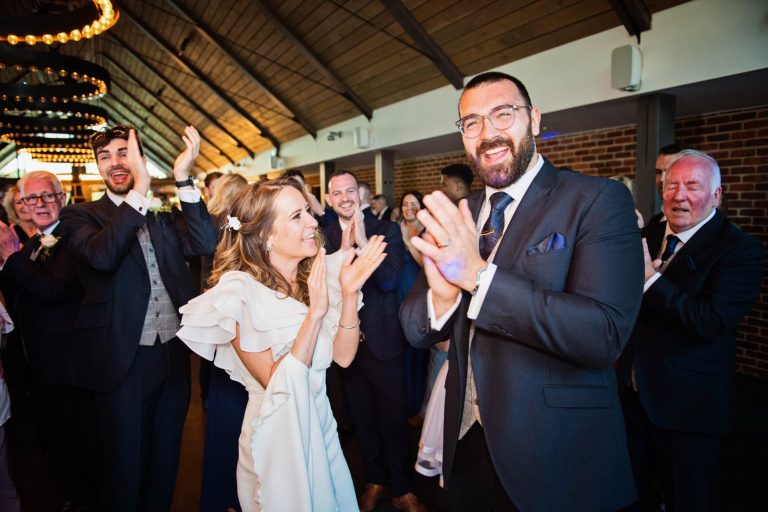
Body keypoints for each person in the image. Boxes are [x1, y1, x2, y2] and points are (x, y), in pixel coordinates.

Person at [400, 71, 644, 511]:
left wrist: (478, 277)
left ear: (533, 119)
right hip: (464, 442)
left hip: (554, 449)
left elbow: (603, 333)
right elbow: (414, 329)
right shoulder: (461, 213)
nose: (488, 133)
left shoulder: (596, 199)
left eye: (503, 114)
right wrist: (440, 298)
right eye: (471, 123)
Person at [177, 178, 387, 511]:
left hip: (321, 426)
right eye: (296, 216)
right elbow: (279, 386)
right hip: (277, 436)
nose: (313, 222)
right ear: (264, 235)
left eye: (307, 211)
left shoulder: (313, 277)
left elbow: (344, 357)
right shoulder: (238, 295)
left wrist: (347, 295)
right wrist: (315, 315)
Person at [59, 124, 217, 511]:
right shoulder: (80, 215)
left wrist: (182, 178)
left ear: (140, 159)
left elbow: (204, 242)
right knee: (124, 468)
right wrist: (140, 191)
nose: (116, 162)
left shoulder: (163, 215)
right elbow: (103, 256)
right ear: (97, 167)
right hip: (120, 359)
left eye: (123, 152)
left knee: (166, 461)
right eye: (105, 156)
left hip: (172, 356)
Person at [624, 150, 765, 511]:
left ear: (716, 196)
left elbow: (710, 321)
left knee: (685, 498)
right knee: (630, 493)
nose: (679, 195)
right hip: (630, 395)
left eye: (692, 186)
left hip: (688, 406)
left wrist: (650, 279)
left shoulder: (741, 249)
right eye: (672, 185)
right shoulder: (647, 232)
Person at [323, 171, 426, 512]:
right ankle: (375, 480)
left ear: (361, 195)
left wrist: (365, 242)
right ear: (328, 199)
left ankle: (401, 485)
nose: (345, 197)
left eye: (350, 190)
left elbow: (388, 282)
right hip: (346, 345)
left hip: (384, 342)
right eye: (337, 193)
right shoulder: (322, 235)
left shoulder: (386, 230)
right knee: (362, 418)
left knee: (393, 418)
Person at [0, 171, 97, 510]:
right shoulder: (33, 242)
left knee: (78, 439)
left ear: (62, 198)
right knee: (54, 439)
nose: (39, 204)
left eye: (47, 196)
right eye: (31, 199)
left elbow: (53, 290)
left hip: (71, 363)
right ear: (22, 205)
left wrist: (10, 260)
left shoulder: (75, 238)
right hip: (40, 361)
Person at [196, 172, 250, 512]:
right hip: (233, 327)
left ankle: (232, 496)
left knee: (232, 418)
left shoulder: (216, 227)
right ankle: (232, 497)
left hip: (230, 329)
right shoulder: (225, 230)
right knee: (233, 416)